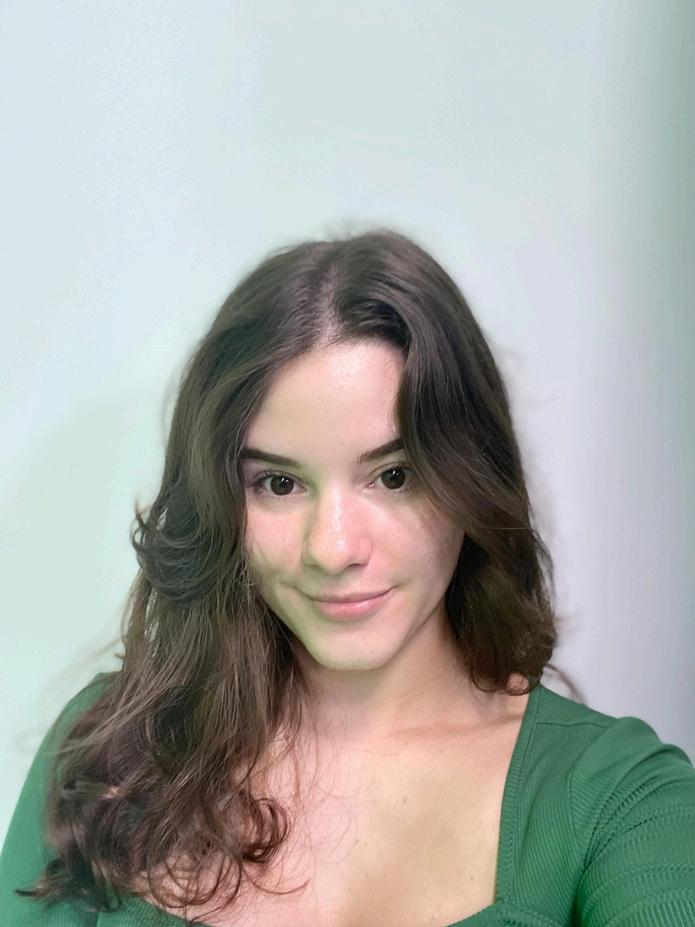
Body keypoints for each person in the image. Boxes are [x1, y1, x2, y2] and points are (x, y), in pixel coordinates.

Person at [1, 228, 693, 927]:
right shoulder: (108, 752)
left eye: (393, 475)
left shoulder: (617, 798)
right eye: (278, 483)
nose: (332, 549)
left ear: (472, 478)